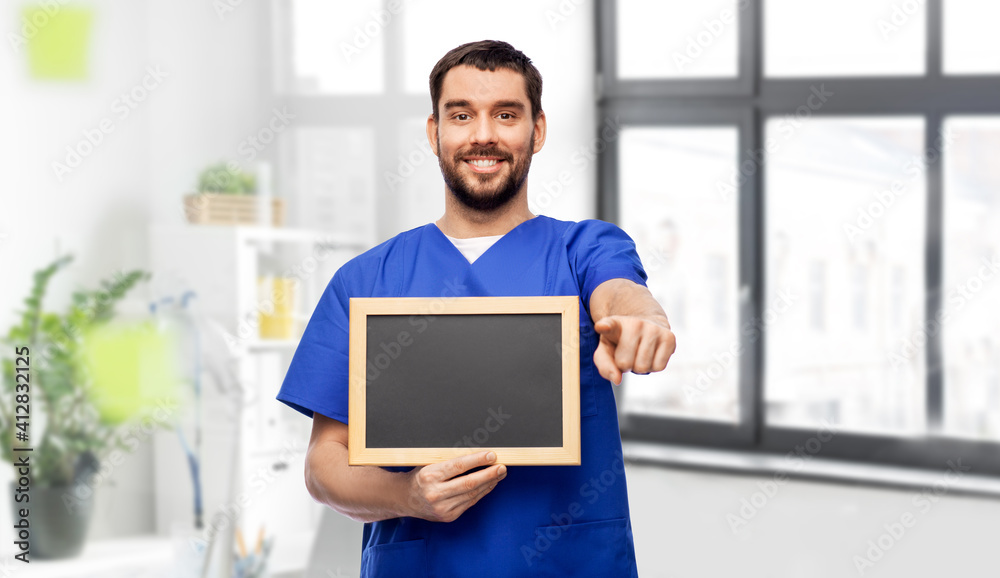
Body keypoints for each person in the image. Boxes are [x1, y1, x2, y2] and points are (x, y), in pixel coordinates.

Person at [277, 40, 676, 577]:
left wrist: (642, 319)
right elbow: (324, 465)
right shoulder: (367, 280)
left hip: (568, 563)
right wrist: (407, 495)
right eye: (461, 115)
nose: (483, 134)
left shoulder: (583, 250)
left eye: (505, 115)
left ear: (536, 130)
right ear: (434, 132)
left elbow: (621, 292)